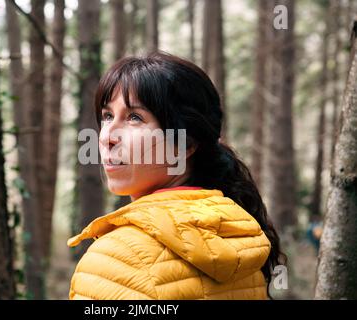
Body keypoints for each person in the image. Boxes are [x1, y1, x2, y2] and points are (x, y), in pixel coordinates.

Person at [67, 52, 284, 300]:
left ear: (185, 145)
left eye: (134, 118)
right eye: (107, 116)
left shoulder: (116, 259)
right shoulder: (238, 235)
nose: (107, 137)